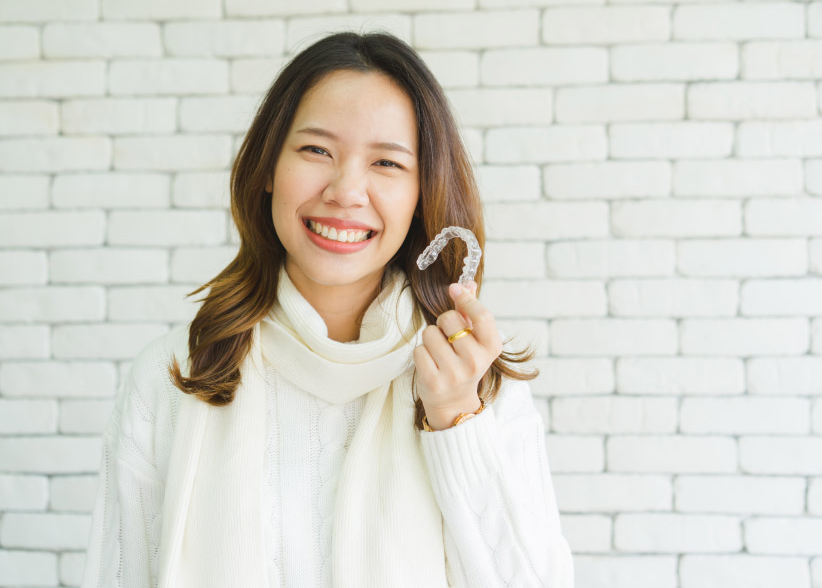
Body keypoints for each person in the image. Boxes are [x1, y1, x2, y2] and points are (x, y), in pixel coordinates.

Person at [80, 30, 574, 588]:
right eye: (317, 150)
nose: (346, 190)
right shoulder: (173, 377)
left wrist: (456, 419)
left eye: (386, 163)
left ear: (420, 194)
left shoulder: (479, 381)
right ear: (268, 168)